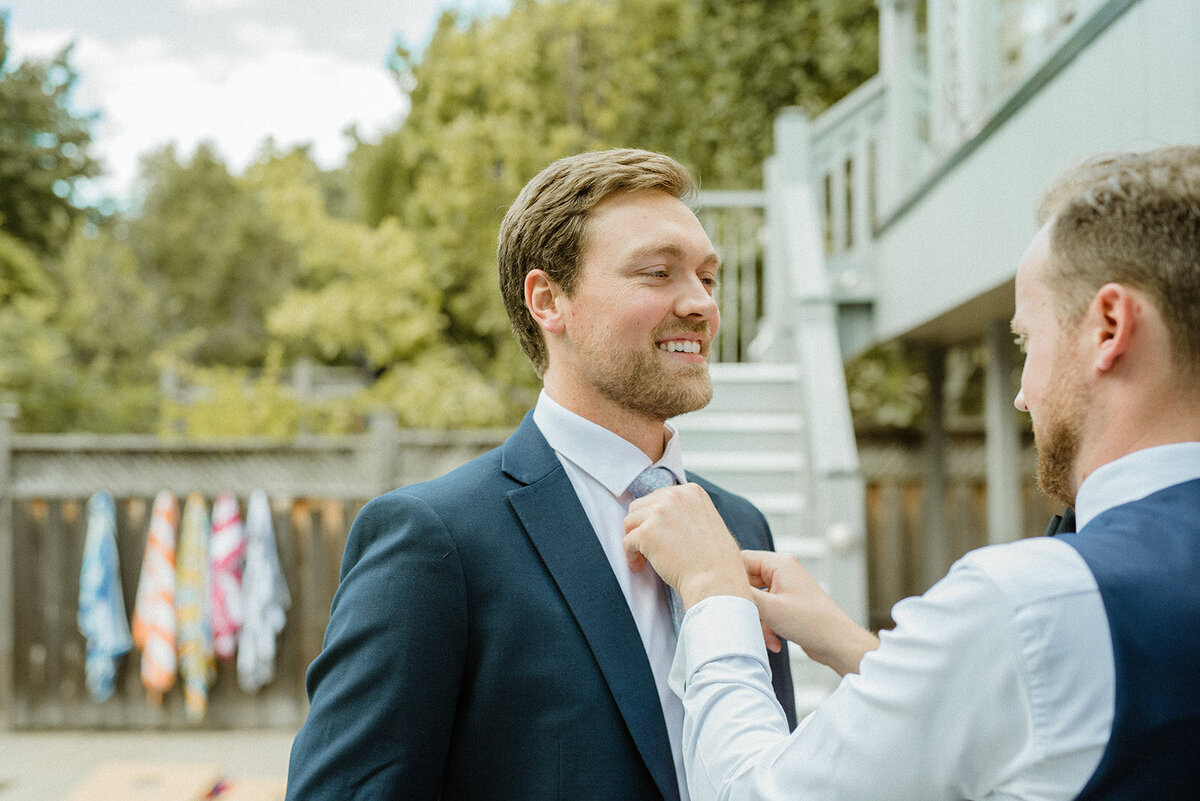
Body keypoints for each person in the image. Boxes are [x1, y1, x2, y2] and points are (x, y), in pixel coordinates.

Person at [623, 144, 1200, 800]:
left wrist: (711, 591)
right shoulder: (1042, 625)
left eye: (1025, 341)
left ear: (1109, 327)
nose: (1022, 393)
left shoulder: (1032, 603)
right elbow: (1043, 716)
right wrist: (847, 642)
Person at [285, 148, 796, 801]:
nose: (700, 304)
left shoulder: (741, 525)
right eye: (658, 272)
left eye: (707, 277)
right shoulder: (435, 541)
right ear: (548, 299)